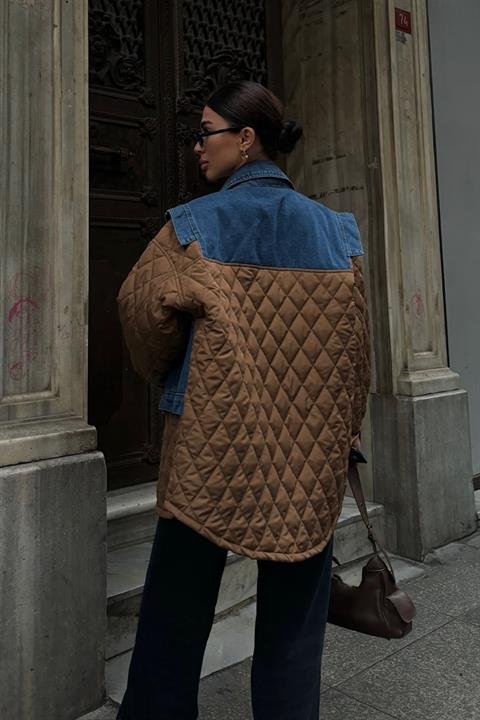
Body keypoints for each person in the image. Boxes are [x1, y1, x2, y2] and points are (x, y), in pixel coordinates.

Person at [115, 80, 371, 720]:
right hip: (308, 455)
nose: (197, 146)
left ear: (247, 138)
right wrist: (343, 432)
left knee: (175, 611)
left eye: (206, 132)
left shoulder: (192, 226)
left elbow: (141, 318)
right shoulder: (338, 234)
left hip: (212, 441)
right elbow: (357, 358)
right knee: (295, 622)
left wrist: (175, 374)